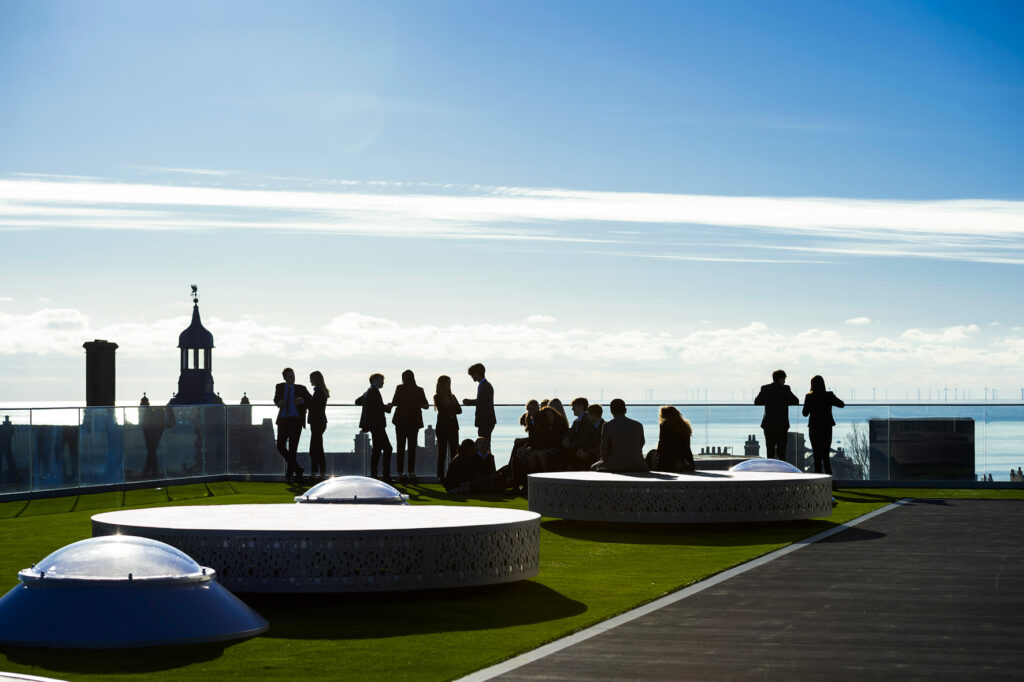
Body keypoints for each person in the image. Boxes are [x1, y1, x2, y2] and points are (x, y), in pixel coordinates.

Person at [389, 369, 429, 483]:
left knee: (400, 447)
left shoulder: (400, 388)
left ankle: (400, 473)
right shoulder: (419, 390)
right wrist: (417, 403)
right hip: (414, 421)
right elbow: (426, 405)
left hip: (401, 420)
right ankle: (411, 473)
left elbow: (395, 402)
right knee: (412, 448)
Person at [273, 367, 312, 482]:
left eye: (293, 375)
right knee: (280, 446)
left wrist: (302, 401)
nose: (292, 378)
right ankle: (298, 469)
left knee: (293, 449)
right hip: (283, 420)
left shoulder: (301, 388)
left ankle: (290, 475)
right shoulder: (279, 387)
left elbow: (310, 400)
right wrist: (279, 402)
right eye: (289, 376)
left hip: (296, 421)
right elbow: (275, 400)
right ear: (284, 378)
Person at [802, 376, 845, 475]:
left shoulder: (809, 396)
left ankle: (818, 480)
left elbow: (805, 413)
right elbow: (841, 404)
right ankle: (829, 481)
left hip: (814, 427)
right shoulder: (829, 395)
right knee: (826, 456)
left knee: (816, 455)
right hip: (826, 427)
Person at [754, 369, 800, 460]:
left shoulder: (765, 388)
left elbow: (757, 401)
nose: (784, 381)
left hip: (768, 424)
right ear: (780, 378)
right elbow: (796, 401)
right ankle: (782, 471)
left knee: (770, 451)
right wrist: (785, 402)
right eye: (784, 379)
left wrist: (768, 401)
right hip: (781, 424)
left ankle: (770, 470)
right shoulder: (785, 389)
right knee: (781, 452)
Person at [356, 373, 394, 481]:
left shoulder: (369, 391)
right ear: (375, 380)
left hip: (373, 425)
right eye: (381, 380)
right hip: (377, 425)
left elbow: (358, 401)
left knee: (377, 450)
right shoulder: (373, 392)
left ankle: (374, 475)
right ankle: (385, 476)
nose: (382, 382)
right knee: (387, 448)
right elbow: (378, 407)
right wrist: (387, 407)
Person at [592, 399, 647, 472]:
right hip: (637, 464)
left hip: (616, 465)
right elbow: (641, 443)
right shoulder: (638, 425)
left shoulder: (608, 426)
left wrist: (604, 460)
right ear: (625, 410)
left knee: (593, 467)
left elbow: (604, 449)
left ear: (611, 411)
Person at [433, 375, 462, 483]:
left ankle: (453, 474)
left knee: (454, 451)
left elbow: (459, 410)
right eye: (447, 383)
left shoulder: (452, 396)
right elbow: (443, 410)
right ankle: (441, 475)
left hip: (453, 427)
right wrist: (452, 410)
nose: (448, 385)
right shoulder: (437, 397)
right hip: (442, 427)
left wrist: (450, 411)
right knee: (442, 452)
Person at [650, 406, 695, 473]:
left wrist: (658, 455)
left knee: (650, 454)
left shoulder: (665, 424)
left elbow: (662, 442)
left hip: (669, 460)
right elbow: (687, 446)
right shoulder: (685, 425)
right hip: (686, 459)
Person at [463, 363, 496, 445]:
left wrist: (469, 402)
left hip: (486, 420)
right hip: (486, 420)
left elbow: (482, 401)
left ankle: (487, 457)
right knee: (485, 443)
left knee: (484, 444)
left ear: (477, 373)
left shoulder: (485, 386)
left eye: (472, 375)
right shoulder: (484, 385)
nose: (472, 377)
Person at [306, 371, 330, 479]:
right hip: (320, 422)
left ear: (316, 379)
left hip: (317, 422)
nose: (310, 380)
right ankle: (321, 472)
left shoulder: (319, 392)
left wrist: (305, 401)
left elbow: (313, 406)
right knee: (318, 448)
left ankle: (316, 472)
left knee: (314, 449)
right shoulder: (321, 391)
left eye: (311, 378)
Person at [0, 415, 16, 483]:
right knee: (10, 460)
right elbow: (12, 434)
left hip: (5, 446)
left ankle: (12, 473)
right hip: (6, 446)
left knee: (9, 460)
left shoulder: (4, 427)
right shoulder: (10, 427)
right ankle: (12, 473)